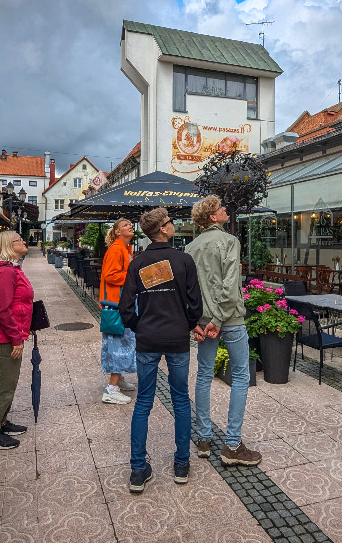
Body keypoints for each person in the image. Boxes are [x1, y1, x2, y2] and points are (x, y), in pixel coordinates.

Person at [119, 208, 204, 493]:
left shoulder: (138, 262)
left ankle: (138, 470)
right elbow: (195, 304)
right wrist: (188, 324)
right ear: (164, 229)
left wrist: (138, 326)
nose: (173, 225)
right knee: (181, 400)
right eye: (170, 222)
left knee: (143, 402)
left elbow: (125, 308)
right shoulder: (184, 260)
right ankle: (181, 465)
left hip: (148, 339)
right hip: (178, 338)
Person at [185, 195, 262, 467]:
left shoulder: (191, 247)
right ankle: (232, 445)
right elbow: (230, 285)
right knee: (241, 374)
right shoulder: (229, 242)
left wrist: (197, 321)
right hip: (227, 319)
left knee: (204, 375)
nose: (225, 209)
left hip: (203, 321)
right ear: (212, 217)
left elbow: (187, 291)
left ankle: (204, 439)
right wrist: (217, 319)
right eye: (220, 208)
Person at [0, 230, 32, 450]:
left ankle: (1, 421)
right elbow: (2, 309)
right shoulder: (4, 272)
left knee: (7, 382)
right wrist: (16, 338)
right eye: (18, 240)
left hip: (10, 334)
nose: (23, 241)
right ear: (8, 246)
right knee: (1, 384)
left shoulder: (11, 269)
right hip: (4, 337)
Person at [99, 218, 137, 404]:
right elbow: (111, 275)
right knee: (119, 345)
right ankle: (111, 389)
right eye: (125, 225)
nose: (129, 226)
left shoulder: (124, 248)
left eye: (130, 224)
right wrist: (133, 276)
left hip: (118, 303)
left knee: (120, 343)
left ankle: (118, 379)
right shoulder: (116, 249)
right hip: (117, 305)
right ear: (116, 232)